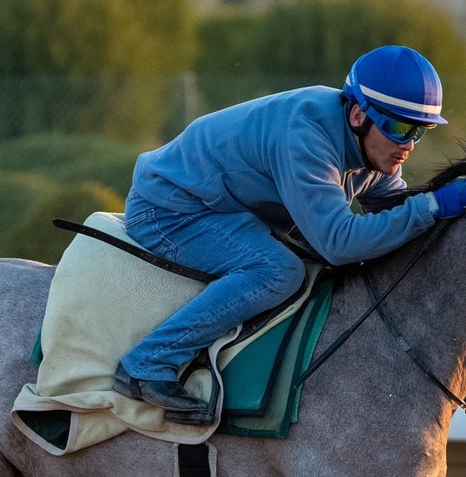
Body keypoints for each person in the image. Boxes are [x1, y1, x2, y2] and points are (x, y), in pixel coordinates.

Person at [113, 45, 466, 424]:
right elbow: (339, 244)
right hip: (168, 210)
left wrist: (432, 210)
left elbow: (395, 217)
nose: (408, 145)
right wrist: (432, 205)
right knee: (279, 271)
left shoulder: (375, 151)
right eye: (399, 127)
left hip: (226, 210)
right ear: (359, 114)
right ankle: (147, 363)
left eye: (420, 131)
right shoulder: (307, 137)